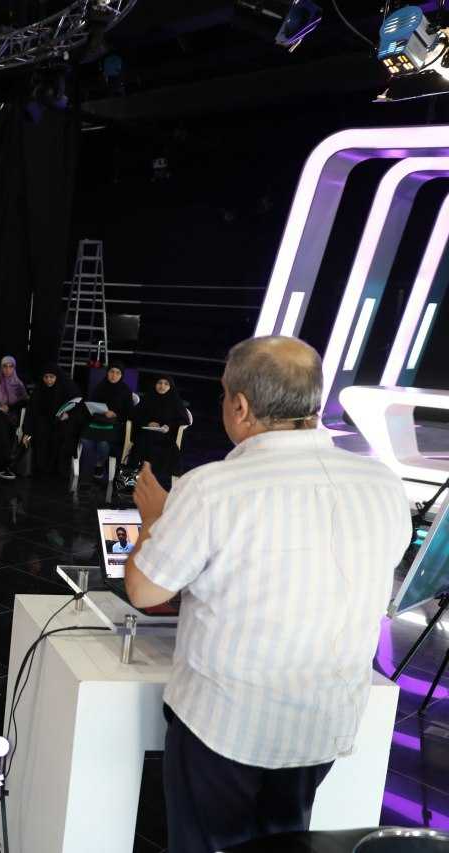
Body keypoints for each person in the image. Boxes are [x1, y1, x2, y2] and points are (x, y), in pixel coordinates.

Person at [125, 336, 410, 853]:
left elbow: (145, 589)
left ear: (240, 406)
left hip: (225, 724)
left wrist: (154, 520)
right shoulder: (384, 484)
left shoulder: (213, 487)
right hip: (322, 722)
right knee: (285, 843)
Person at [124, 374, 189, 490]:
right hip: (146, 434)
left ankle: (153, 485)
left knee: (162, 449)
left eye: (166, 384)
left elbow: (184, 420)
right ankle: (129, 484)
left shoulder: (175, 401)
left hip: (165, 437)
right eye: (160, 383)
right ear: (155, 385)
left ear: (170, 387)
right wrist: (147, 423)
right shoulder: (149, 398)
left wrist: (168, 426)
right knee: (141, 444)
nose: (162, 386)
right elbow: (133, 415)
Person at [79, 362, 135, 483]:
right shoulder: (100, 386)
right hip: (97, 421)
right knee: (85, 440)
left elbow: (130, 413)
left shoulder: (125, 391)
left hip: (115, 424)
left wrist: (115, 414)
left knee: (103, 444)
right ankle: (89, 465)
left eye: (117, 373)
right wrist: (96, 410)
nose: (114, 375)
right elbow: (90, 405)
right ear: (107, 373)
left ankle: (99, 464)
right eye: (111, 372)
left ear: (121, 375)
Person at [22, 364, 80, 478]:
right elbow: (31, 413)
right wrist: (27, 431)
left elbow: (77, 406)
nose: (49, 380)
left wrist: (68, 414)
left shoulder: (66, 388)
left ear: (57, 377)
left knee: (63, 434)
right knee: (40, 432)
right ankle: (42, 469)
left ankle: (59, 470)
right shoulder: (39, 390)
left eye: (52, 377)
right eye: (46, 377)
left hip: (61, 422)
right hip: (42, 423)